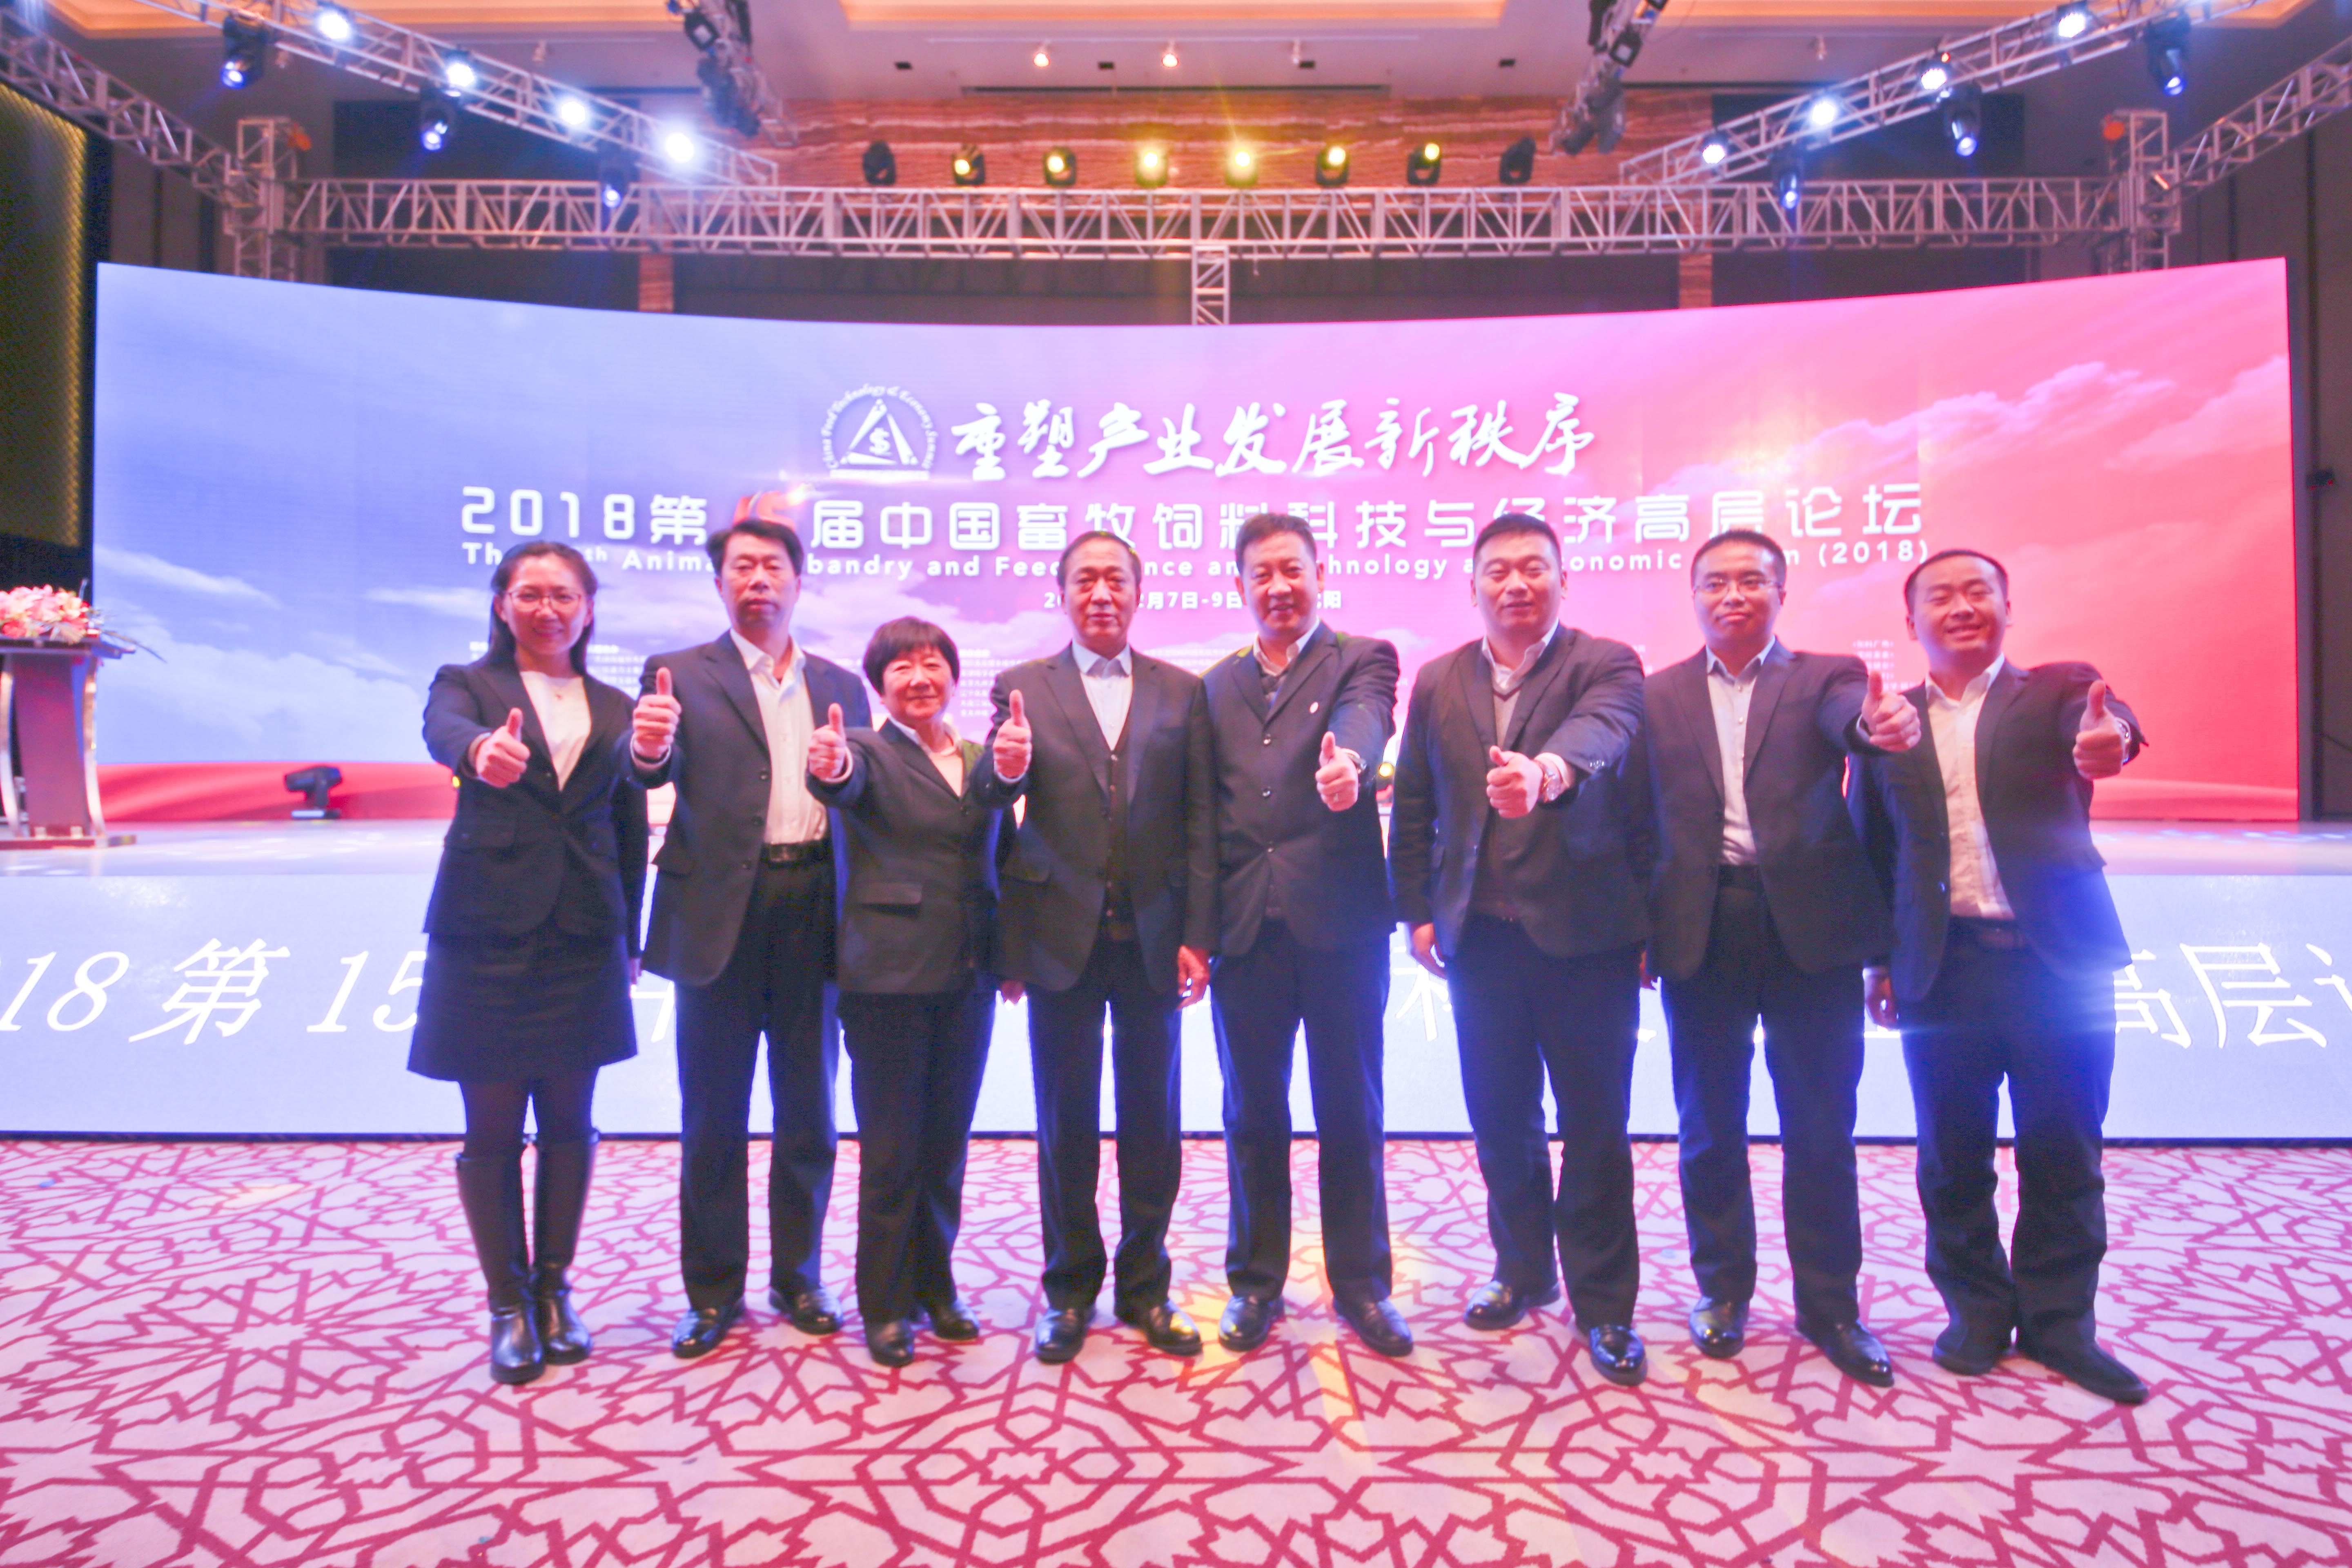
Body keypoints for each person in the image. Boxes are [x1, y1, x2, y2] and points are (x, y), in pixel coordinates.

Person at [1850, 548, 2151, 1405]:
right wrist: (1879, 961)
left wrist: (2114, 741)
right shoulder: (1889, 722)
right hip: (1943, 968)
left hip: (2059, 967)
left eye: (1977, 591)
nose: (1960, 607)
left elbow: (2109, 728)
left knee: (2065, 1150)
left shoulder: (2057, 694)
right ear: (1912, 622)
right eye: (1939, 597)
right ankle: (1976, 1311)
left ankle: (2061, 1325)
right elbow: (1874, 848)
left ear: (2007, 608)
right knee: (1952, 1156)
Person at [1629, 529, 1921, 1387]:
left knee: (1821, 1129)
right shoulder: (1657, 694)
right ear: (1693, 596)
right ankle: (1723, 1291)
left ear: (1781, 593)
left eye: (1752, 581)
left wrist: (1878, 724)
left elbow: (1855, 724)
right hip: (1702, 926)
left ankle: (1831, 1306)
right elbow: (1638, 821)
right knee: (1709, 1126)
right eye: (1715, 583)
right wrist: (1642, 930)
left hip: (1812, 933)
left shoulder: (1827, 678)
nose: (1733, 596)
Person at [1387, 513, 1651, 1385]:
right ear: (1473, 586)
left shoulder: (1605, 665)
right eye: (1497, 570)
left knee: (1596, 1125)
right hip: (1481, 941)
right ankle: (1523, 1268)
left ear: (1564, 580)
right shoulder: (1439, 679)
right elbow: (1416, 801)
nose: (1516, 584)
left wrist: (1545, 773)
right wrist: (1418, 911)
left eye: (1534, 568)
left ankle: (1605, 1304)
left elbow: (1602, 734)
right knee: (1502, 1119)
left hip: (1588, 940)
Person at [629, 517, 872, 1360]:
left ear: (799, 582)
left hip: (814, 907)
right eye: (741, 567)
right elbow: (650, 765)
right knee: (714, 1113)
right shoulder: (678, 674)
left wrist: (848, 774)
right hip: (717, 914)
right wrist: (647, 750)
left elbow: (861, 794)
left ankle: (798, 1277)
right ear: (720, 583)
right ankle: (713, 1290)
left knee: (809, 1108)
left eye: (773, 566)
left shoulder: (840, 683)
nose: (758, 579)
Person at [976, 530, 1217, 1364]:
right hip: (1057, 941)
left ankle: (1146, 1286)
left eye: (1117, 579)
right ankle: (1070, 1289)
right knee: (1064, 1122)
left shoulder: (1183, 691)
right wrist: (1005, 769)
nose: (1102, 594)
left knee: (1154, 1121)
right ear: (1063, 593)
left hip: (1154, 939)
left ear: (1140, 593)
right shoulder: (1021, 688)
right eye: (1085, 581)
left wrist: (1198, 935)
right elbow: (995, 805)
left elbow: (1199, 820)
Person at [411, 540, 648, 1386]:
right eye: (531, 594)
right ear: (502, 603)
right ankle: (506, 1302)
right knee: (492, 1128)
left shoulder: (617, 705)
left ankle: (554, 1289)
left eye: (565, 596)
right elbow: (444, 732)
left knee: (571, 1124)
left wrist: (631, 937)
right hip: (488, 929)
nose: (549, 610)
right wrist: (478, 750)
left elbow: (628, 825)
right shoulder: (467, 687)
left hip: (585, 931)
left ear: (589, 609)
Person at [1202, 513, 1409, 1358]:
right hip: (1245, 930)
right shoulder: (1213, 686)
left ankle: (1361, 1284)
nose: (1280, 587)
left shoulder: (1363, 658)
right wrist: (1195, 931)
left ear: (1321, 574)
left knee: (1350, 1110)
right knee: (1252, 1113)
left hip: (1343, 928)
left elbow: (1365, 720)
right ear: (1240, 586)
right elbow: (1199, 817)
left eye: (1294, 570)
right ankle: (1255, 1282)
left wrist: (1348, 765)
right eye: (1263, 574)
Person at [806, 617, 1002, 1368]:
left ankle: (935, 1288)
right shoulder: (862, 749)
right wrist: (828, 766)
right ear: (879, 685)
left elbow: (1000, 854)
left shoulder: (980, 758)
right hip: (887, 977)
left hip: (968, 974)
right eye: (902, 668)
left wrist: (1010, 956)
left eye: (932, 664)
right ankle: (885, 1305)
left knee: (946, 1143)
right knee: (891, 1151)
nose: (920, 679)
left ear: (954, 675)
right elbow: (838, 782)